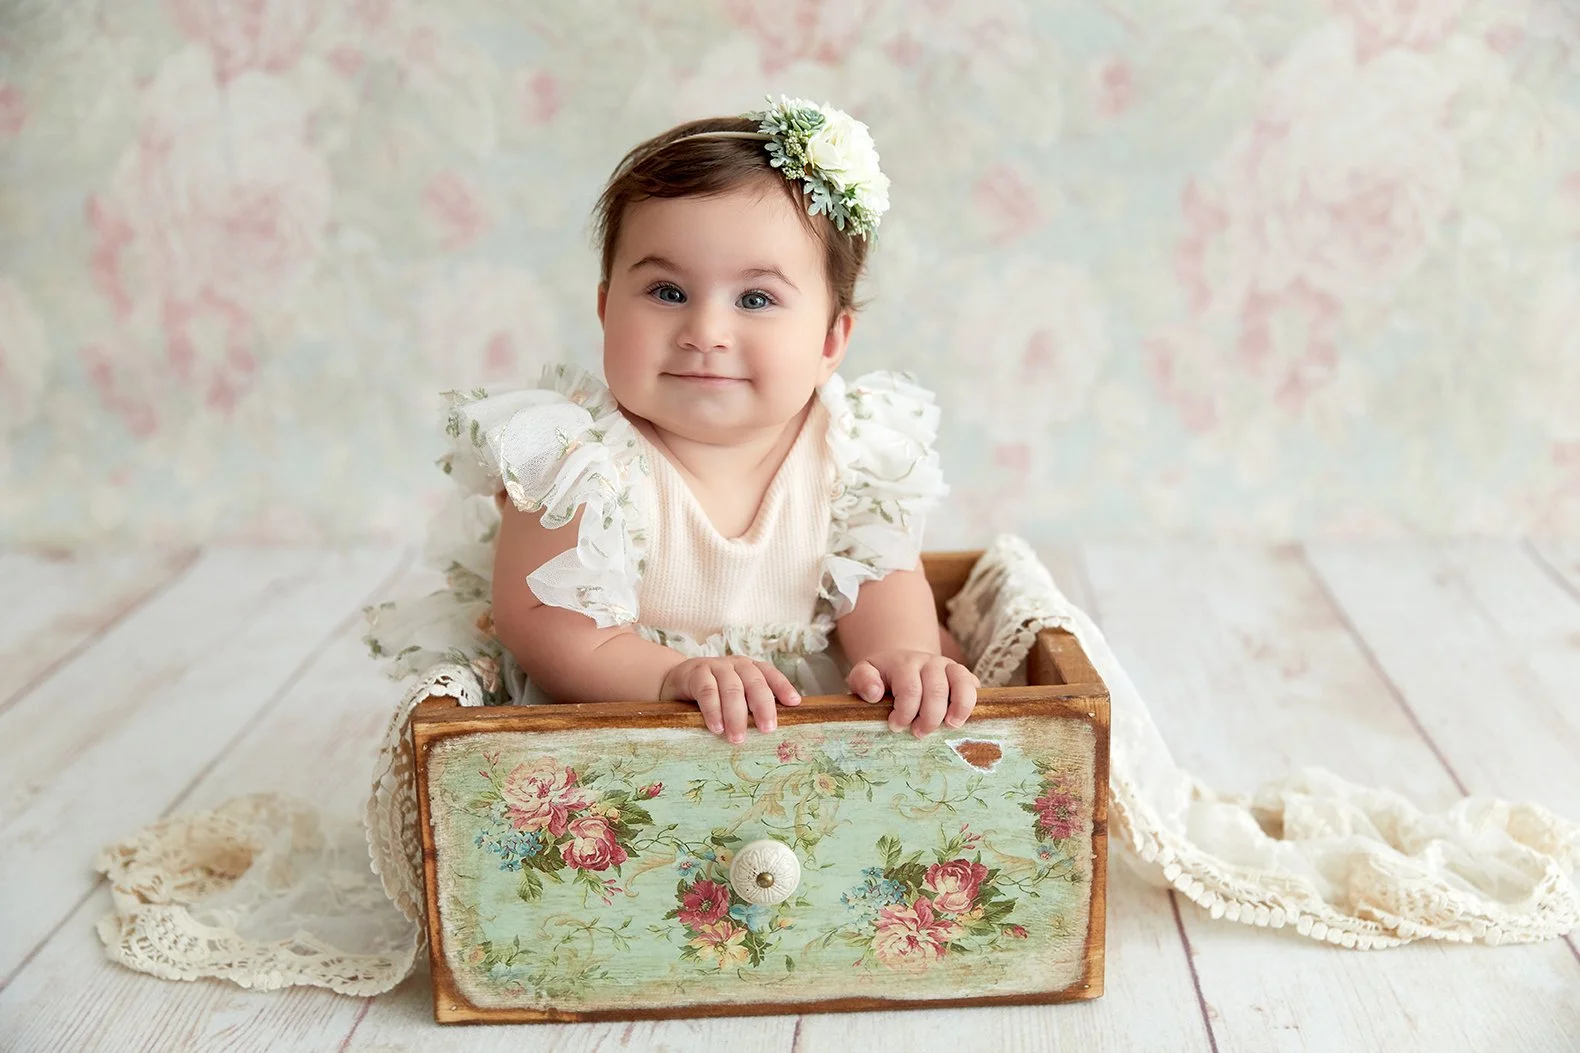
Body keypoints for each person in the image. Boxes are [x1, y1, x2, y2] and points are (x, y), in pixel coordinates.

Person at [366, 98, 977, 745]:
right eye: (667, 292)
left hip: (809, 729)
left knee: (940, 650)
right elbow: (546, 623)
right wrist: (670, 676)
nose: (705, 331)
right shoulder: (580, 458)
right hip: (624, 726)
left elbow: (879, 577)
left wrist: (899, 654)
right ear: (606, 308)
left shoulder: (849, 451)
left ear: (831, 340)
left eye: (755, 298)